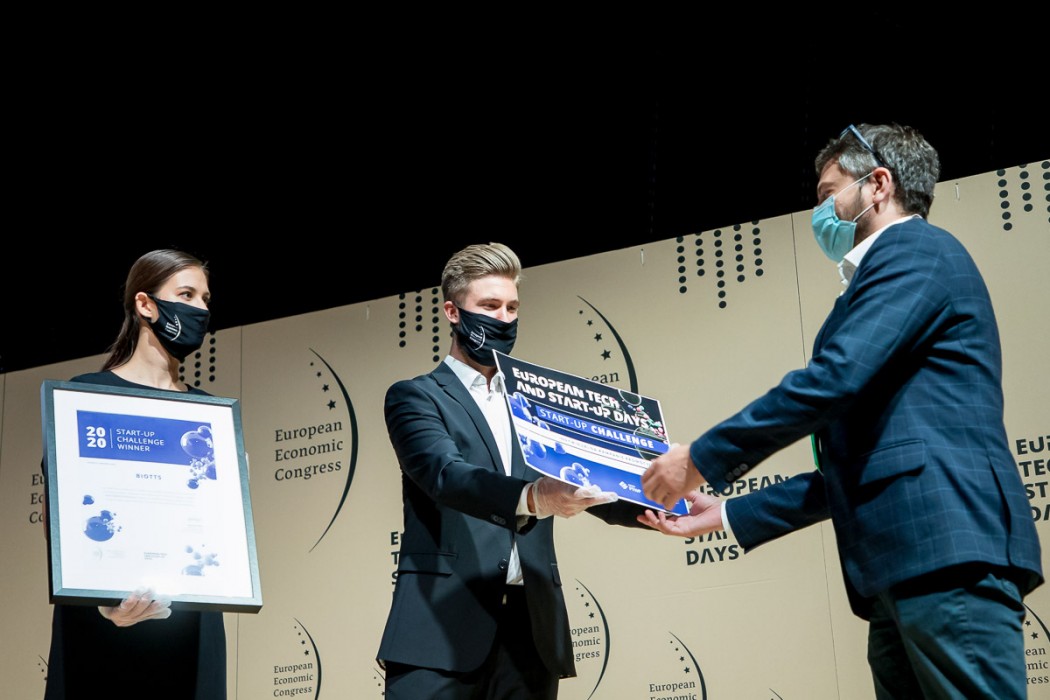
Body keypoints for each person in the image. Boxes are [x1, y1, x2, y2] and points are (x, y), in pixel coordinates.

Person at [639, 123, 1042, 699]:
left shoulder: (915, 250)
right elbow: (858, 465)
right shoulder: (878, 279)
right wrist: (725, 514)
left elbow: (833, 379)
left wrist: (701, 459)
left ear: (878, 184)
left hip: (945, 552)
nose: (820, 211)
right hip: (901, 568)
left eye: (829, 193)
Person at [377, 242, 649, 699]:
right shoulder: (416, 396)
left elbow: (593, 482)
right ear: (453, 312)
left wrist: (666, 504)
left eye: (512, 307)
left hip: (532, 634)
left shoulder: (537, 403)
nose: (503, 318)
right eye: (489, 306)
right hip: (439, 629)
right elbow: (445, 475)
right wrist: (534, 498)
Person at [43, 249, 227, 700]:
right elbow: (60, 524)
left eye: (205, 299)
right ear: (145, 304)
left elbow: (218, 532)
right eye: (186, 295)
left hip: (191, 629)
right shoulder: (86, 396)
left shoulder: (211, 415)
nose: (201, 310)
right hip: (102, 632)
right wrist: (107, 607)